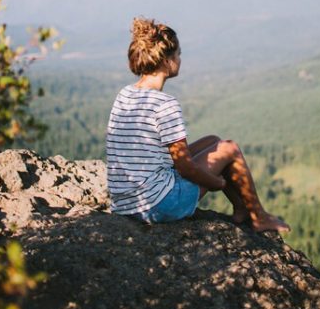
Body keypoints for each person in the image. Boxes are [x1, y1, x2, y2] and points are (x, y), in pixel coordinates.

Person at [106, 17, 290, 234]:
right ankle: (258, 216)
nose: (180, 59)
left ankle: (241, 207)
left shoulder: (125, 93)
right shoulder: (165, 104)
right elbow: (185, 167)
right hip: (159, 206)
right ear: (166, 60)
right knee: (229, 148)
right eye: (178, 54)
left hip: (125, 204)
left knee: (213, 141)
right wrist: (217, 183)